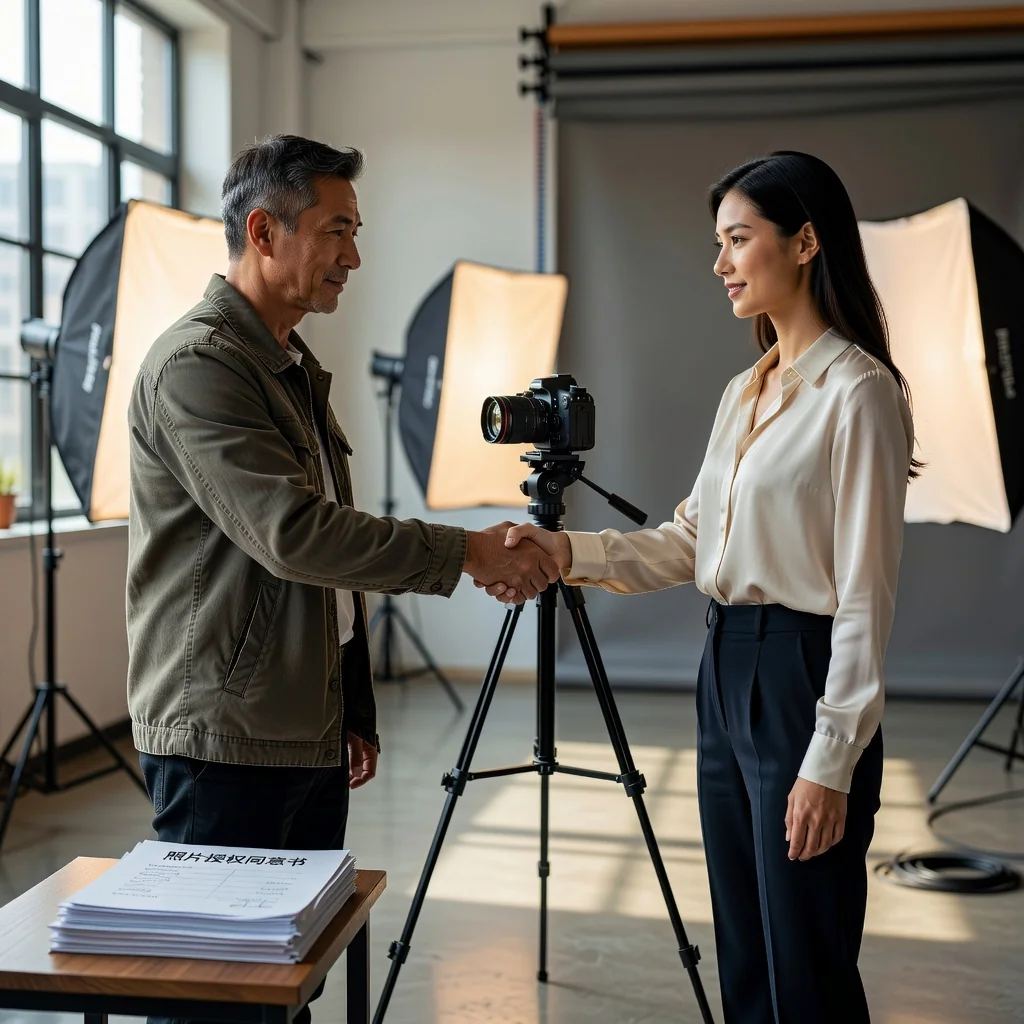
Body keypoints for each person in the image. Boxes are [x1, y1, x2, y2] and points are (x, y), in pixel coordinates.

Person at [126, 134, 558, 1024]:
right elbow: (294, 536)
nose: (355, 256)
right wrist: (466, 552)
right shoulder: (199, 367)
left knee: (289, 979)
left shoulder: (288, 366)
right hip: (224, 739)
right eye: (337, 231)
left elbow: (323, 583)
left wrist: (348, 704)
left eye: (355, 232)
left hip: (298, 724)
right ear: (264, 231)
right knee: (218, 999)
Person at [485, 151, 917, 1024]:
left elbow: (867, 596)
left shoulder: (858, 394)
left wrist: (829, 764)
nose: (720, 263)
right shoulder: (744, 391)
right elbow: (693, 540)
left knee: (807, 954)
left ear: (804, 243)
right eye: (716, 243)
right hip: (724, 672)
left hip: (804, 677)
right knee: (747, 951)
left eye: (737, 240)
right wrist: (564, 553)